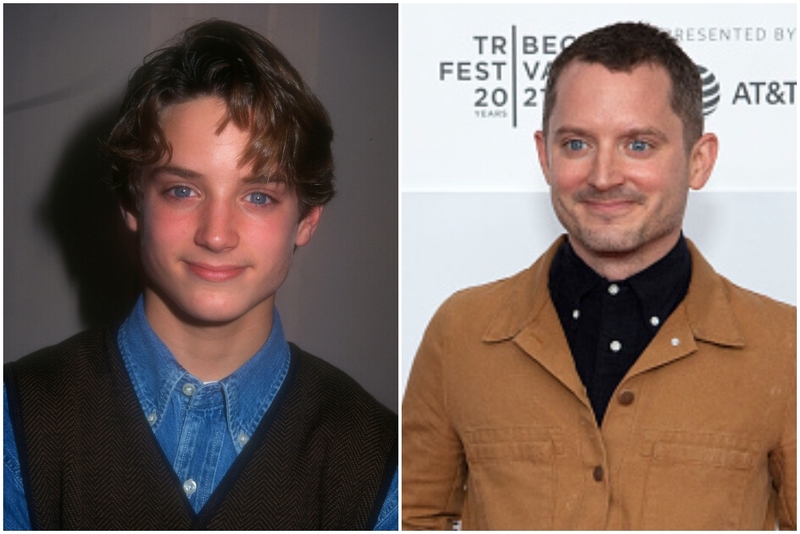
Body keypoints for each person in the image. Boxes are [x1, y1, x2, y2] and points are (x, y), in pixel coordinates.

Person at [4, 19, 397, 530]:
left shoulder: (382, 462)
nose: (216, 235)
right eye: (182, 191)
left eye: (258, 197)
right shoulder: (17, 422)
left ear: (305, 220)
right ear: (132, 203)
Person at [402, 21, 795, 530]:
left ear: (699, 162)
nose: (604, 176)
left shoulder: (785, 348)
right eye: (577, 144)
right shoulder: (461, 332)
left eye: (638, 145)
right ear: (544, 156)